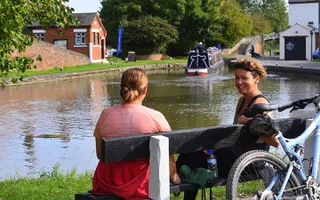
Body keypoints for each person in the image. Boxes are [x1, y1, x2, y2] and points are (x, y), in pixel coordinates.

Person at [176, 58, 279, 200]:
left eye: (244, 78)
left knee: (192, 159)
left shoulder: (261, 104)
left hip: (247, 161)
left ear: (256, 78)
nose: (239, 82)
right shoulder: (242, 100)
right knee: (191, 153)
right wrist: (215, 147)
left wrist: (250, 122)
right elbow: (234, 134)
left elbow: (273, 140)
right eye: (237, 78)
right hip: (235, 154)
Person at [89, 68, 181, 200]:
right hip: (143, 183)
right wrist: (174, 177)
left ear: (122, 88)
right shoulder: (156, 117)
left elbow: (100, 154)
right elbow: (169, 155)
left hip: (107, 182)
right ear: (145, 90)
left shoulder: (106, 114)